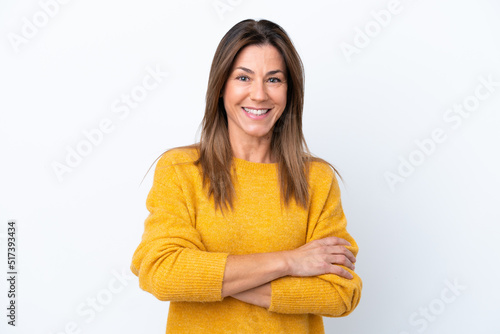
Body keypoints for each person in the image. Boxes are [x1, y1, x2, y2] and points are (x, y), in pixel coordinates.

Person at [130, 18, 362, 333]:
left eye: (274, 80)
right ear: (221, 86)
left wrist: (209, 280)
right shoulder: (181, 170)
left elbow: (340, 292)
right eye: (243, 77)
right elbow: (163, 271)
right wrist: (290, 262)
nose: (259, 94)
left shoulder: (316, 179)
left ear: (289, 91)